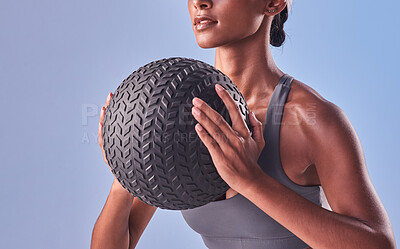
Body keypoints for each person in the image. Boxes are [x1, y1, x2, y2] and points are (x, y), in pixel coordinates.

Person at [91, 0, 396, 248]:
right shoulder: (175, 111)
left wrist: (252, 181)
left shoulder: (312, 119)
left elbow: (379, 244)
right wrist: (126, 172)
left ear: (274, 3)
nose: (200, 3)